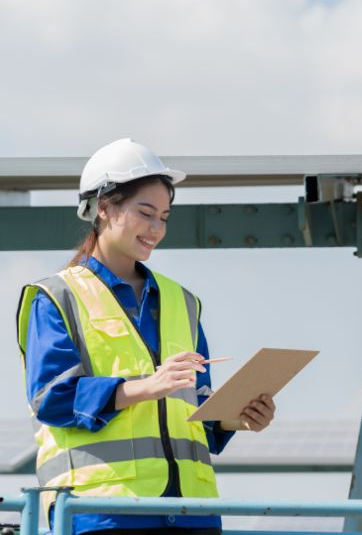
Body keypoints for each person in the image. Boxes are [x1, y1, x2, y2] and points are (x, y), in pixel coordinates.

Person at [16, 138, 276, 535]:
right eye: (146, 213)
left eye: (165, 217)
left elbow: (197, 413)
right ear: (103, 208)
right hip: (101, 513)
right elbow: (52, 398)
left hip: (192, 513)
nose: (157, 228)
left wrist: (236, 418)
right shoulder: (57, 297)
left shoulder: (182, 302)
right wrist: (146, 386)